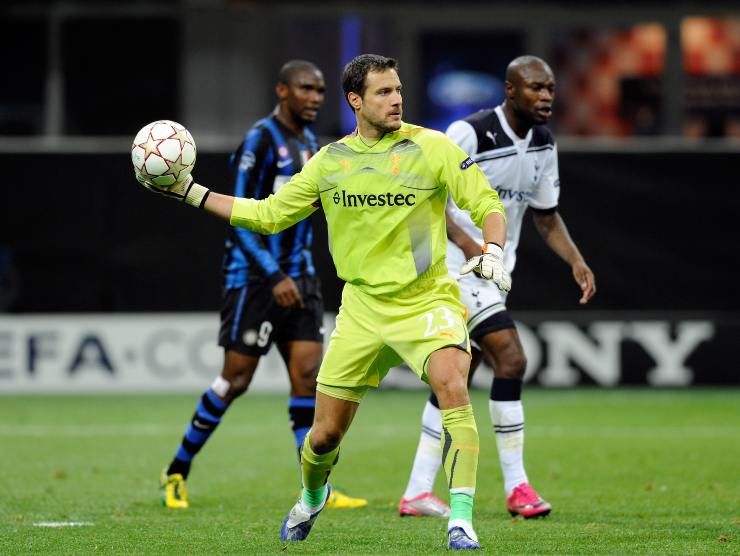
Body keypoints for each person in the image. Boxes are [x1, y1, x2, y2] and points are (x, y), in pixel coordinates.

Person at [136, 53, 511, 550]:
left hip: (427, 302)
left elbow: (486, 203)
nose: (396, 98)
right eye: (382, 92)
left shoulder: (433, 148)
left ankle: (461, 520)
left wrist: (493, 250)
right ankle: (313, 495)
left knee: (453, 388)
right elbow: (268, 215)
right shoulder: (331, 162)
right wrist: (191, 192)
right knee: (323, 438)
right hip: (361, 310)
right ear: (355, 100)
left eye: (397, 89)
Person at [158, 59, 366, 511]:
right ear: (283, 91)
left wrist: (296, 272)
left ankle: (317, 488)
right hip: (254, 280)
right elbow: (239, 219)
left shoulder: (311, 142)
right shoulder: (259, 140)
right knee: (235, 381)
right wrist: (273, 275)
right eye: (305, 89)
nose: (315, 97)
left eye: (320, 90)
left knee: (307, 380)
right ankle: (176, 471)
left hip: (300, 279)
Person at [399, 55, 596, 520]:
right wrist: (470, 244)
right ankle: (518, 487)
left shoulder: (544, 142)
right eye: (535, 88)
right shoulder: (469, 133)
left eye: (550, 88)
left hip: (493, 274)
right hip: (454, 270)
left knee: (456, 378)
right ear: (510, 90)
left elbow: (545, 216)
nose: (546, 96)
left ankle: (416, 491)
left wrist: (576, 260)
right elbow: (422, 198)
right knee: (512, 358)